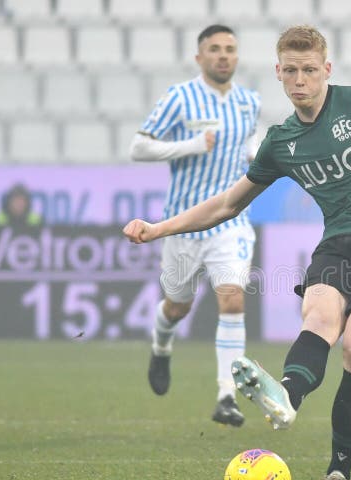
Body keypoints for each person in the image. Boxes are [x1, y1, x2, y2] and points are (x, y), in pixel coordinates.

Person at [123, 25, 351, 480]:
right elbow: (226, 205)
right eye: (291, 71)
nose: (300, 79)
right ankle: (284, 396)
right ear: (278, 74)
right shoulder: (281, 142)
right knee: (320, 318)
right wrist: (159, 228)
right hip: (339, 241)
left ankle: (337, 477)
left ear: (326, 70)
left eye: (309, 70)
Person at [128, 24, 261, 427]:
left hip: (230, 222)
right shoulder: (180, 97)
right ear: (199, 57)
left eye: (230, 49)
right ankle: (161, 346)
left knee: (232, 298)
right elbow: (139, 146)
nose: (224, 56)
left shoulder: (248, 102)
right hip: (182, 226)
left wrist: (258, 156)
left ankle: (227, 394)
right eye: (215, 49)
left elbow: (248, 147)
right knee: (177, 305)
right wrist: (190, 145)